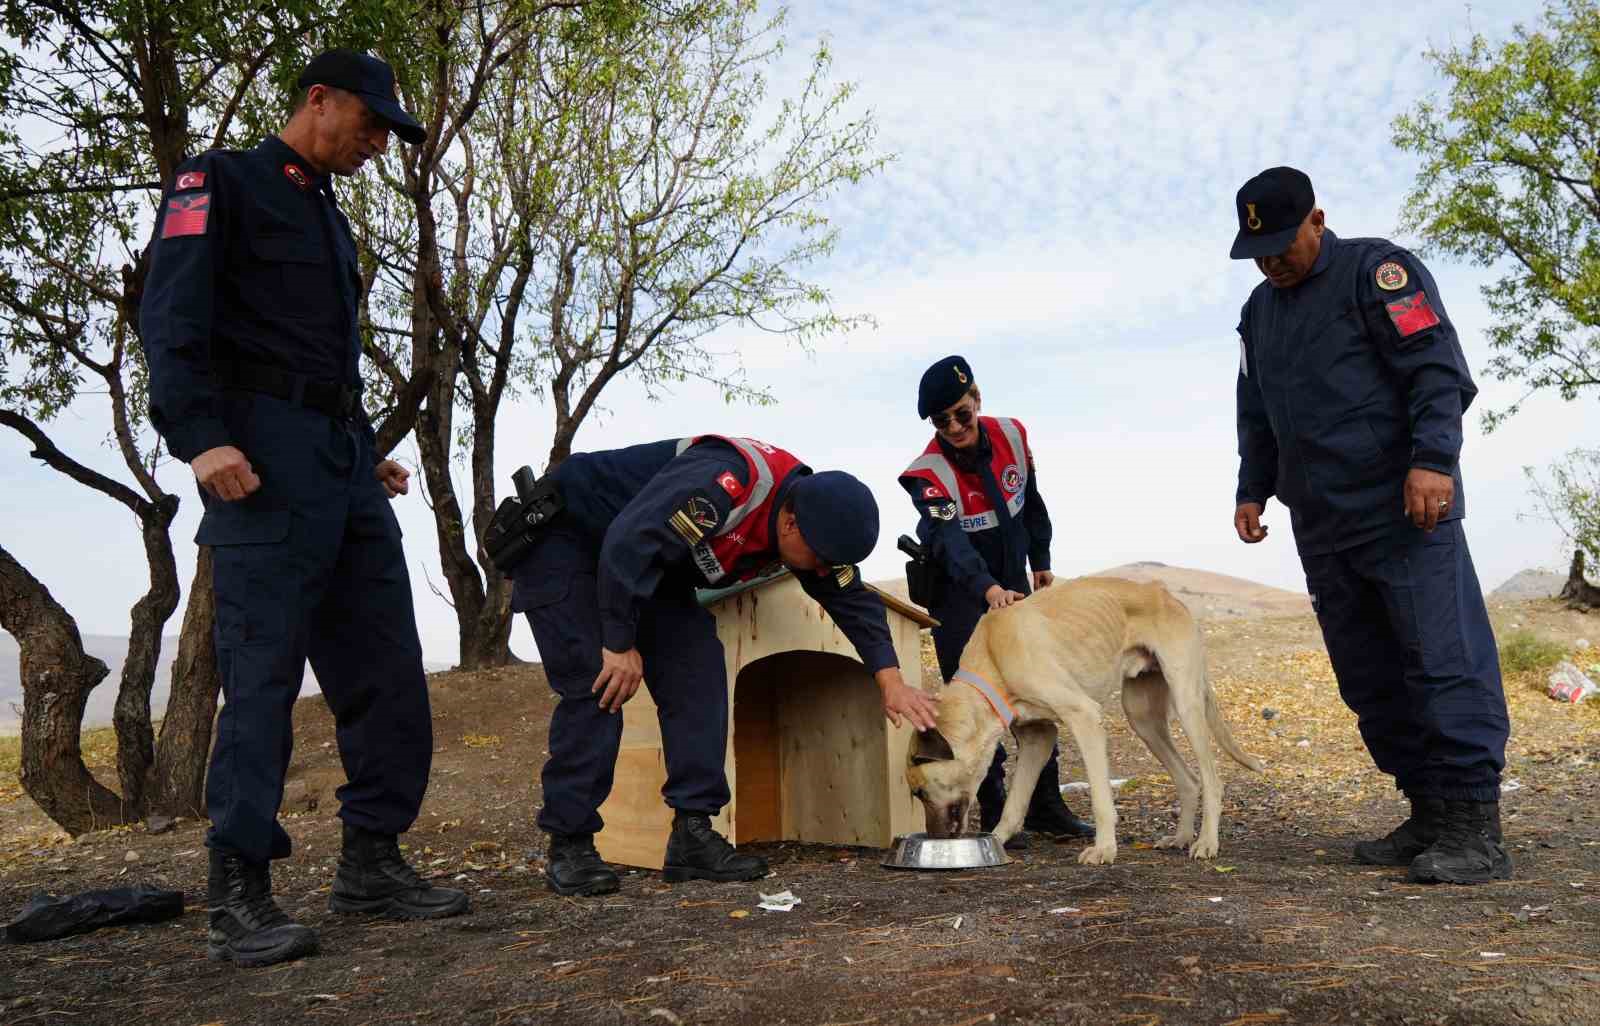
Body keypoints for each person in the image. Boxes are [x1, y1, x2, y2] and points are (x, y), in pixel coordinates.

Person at [140, 50, 467, 968]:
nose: (374, 143)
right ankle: (238, 889)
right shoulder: (221, 181)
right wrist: (199, 435)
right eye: (368, 122)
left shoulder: (332, 219)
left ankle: (372, 861)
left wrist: (366, 457)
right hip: (257, 458)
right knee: (264, 680)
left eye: (384, 133)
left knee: (387, 669)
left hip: (338, 461)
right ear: (317, 99)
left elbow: (322, 358)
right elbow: (170, 316)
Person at [1229, 166, 1511, 885]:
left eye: (1284, 245)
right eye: (1258, 251)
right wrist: (1252, 488)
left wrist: (1434, 461)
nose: (1272, 261)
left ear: (1318, 220)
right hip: (1322, 524)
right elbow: (1256, 408)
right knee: (1370, 676)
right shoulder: (1259, 312)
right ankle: (1427, 811)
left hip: (1404, 510)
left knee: (1442, 661)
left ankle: (1474, 825)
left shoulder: (1378, 272)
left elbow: (1435, 370)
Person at [507, 436, 940, 896]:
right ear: (791, 525)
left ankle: (692, 834)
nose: (821, 572)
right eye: (821, 560)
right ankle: (570, 843)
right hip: (571, 541)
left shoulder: (814, 524)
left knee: (698, 667)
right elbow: (626, 544)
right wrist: (618, 643)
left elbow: (851, 598)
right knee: (600, 684)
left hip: (648, 564)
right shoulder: (722, 485)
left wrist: (890, 680)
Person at [898, 356, 1092, 844]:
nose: (955, 427)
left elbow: (1031, 499)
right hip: (960, 591)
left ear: (977, 399)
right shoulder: (926, 474)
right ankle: (997, 805)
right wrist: (988, 591)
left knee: (1036, 689)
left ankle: (1046, 804)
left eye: (961, 414)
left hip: (1012, 584)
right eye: (942, 421)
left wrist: (1041, 557)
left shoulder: (1012, 434)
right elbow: (952, 543)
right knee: (980, 701)